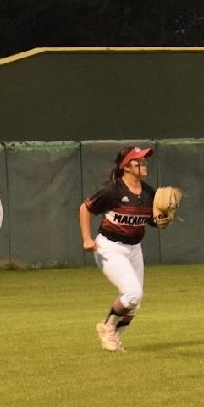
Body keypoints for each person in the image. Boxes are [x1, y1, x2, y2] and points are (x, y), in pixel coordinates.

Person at [79, 145, 157, 352]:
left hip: (134, 249)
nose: (143, 163)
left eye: (144, 159)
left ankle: (115, 338)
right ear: (126, 166)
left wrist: (164, 217)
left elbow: (153, 221)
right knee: (132, 294)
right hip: (110, 247)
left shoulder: (149, 192)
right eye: (138, 160)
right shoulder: (113, 190)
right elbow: (85, 208)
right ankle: (107, 327)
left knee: (135, 302)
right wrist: (87, 239)